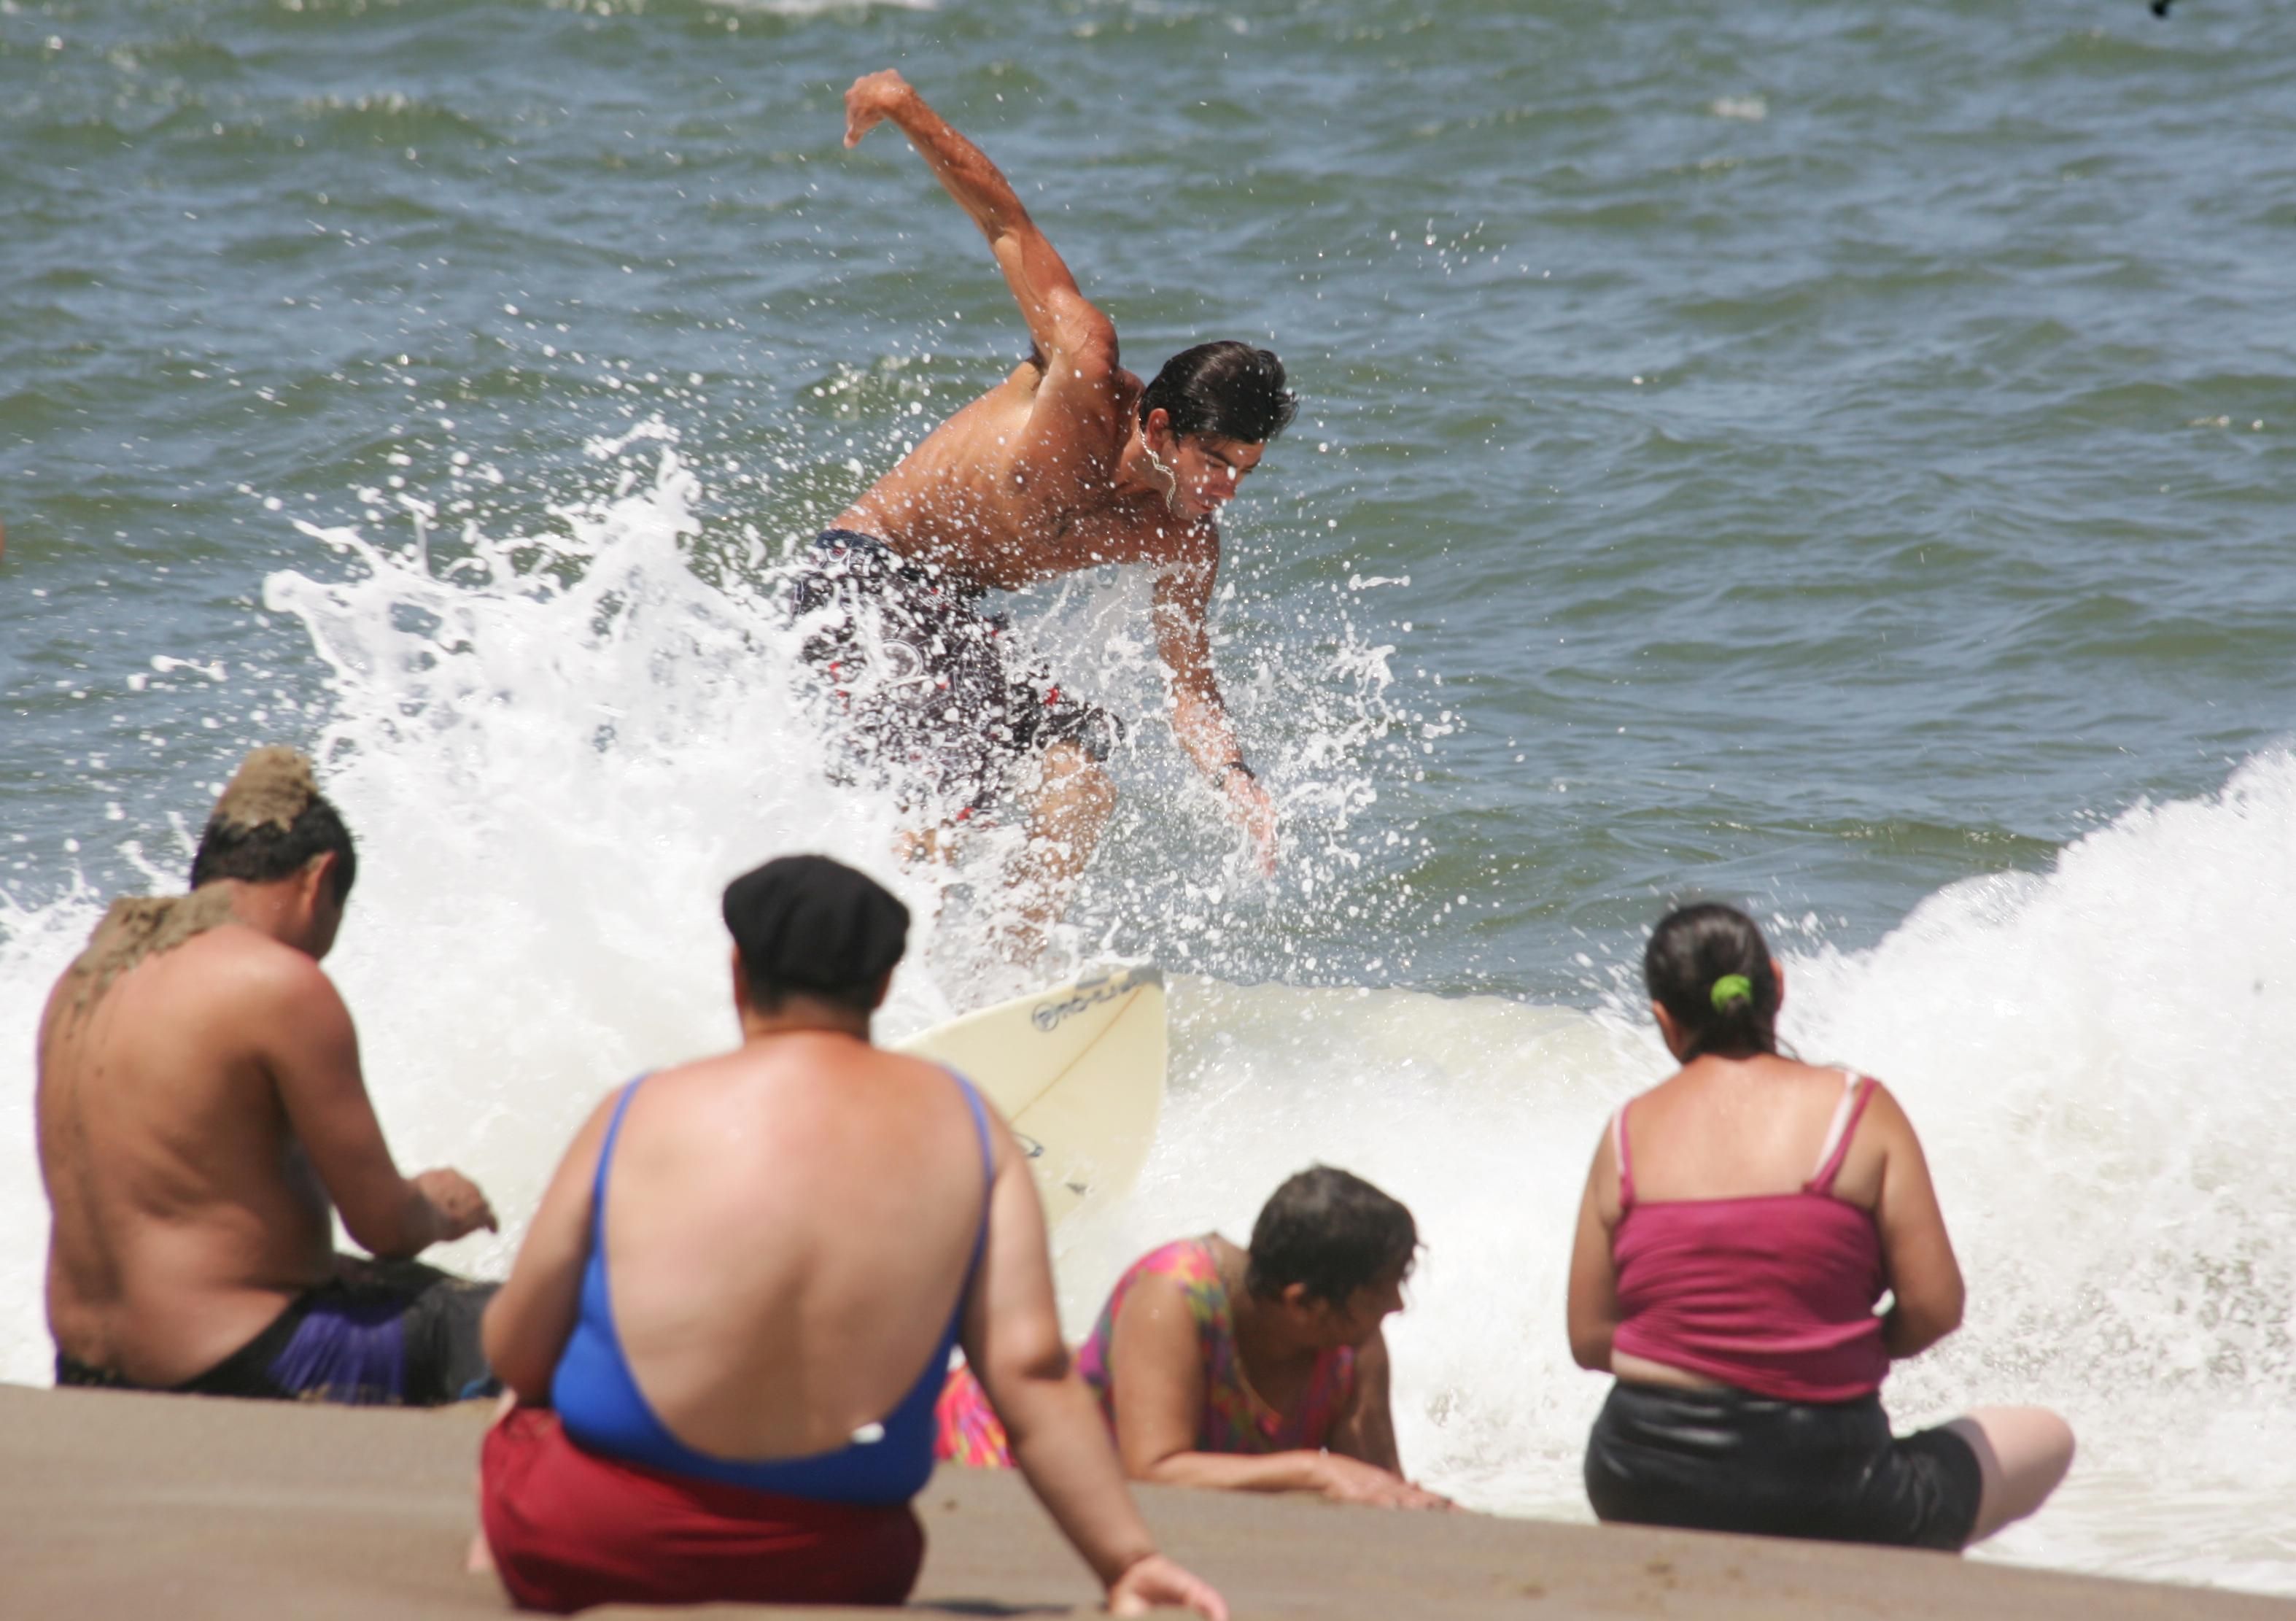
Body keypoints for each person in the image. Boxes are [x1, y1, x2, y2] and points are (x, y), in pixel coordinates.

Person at [475, 854, 1225, 1617]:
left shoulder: (637, 1111)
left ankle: (491, 1542)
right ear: (881, 985)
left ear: (739, 971)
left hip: (595, 1541)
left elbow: (516, 1349)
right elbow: (1027, 1369)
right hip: (835, 1563)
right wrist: (1128, 1559)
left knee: (524, 1393)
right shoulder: (969, 1127)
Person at [796, 69, 1291, 932]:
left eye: (1246, 469)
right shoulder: (1084, 371)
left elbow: (1190, 689)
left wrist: (1237, 780)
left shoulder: (1184, 539)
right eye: (1215, 460)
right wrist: (905, 108)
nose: (1226, 487)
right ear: (1163, 425)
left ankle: (1004, 978)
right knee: (950, 792)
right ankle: (868, 984)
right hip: (861, 577)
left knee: (1081, 783)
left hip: (948, 612)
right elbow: (1004, 223)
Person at [1565, 902, 2074, 1550]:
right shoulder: (1860, 1111)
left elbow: (1588, 1338)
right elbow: (1935, 1307)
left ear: (1665, 1020)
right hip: (1826, 1485)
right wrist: (1827, 1351)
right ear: (1776, 985)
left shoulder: (1626, 1134)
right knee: (2045, 1436)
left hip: (1639, 1479)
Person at [36, 746, 500, 1405]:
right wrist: (439, 1204)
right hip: (237, 1368)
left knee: (380, 1288)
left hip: (88, 1370)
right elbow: (387, 1229)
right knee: (533, 1327)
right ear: (320, 879)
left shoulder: (90, 974)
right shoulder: (276, 981)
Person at [936, 1167, 1449, 1511]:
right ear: (1302, 1303)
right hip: (1006, 1451)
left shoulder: (1352, 1341)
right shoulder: (1177, 1294)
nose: (1396, 1306)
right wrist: (1313, 1473)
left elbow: (1375, 1487)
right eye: (1380, 1290)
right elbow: (1154, 1471)